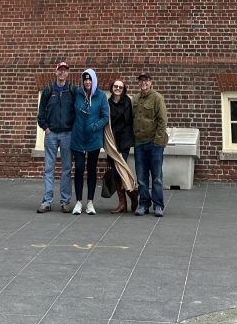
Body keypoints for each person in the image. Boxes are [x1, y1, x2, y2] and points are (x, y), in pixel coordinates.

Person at [36, 60, 75, 213]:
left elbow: (77, 110)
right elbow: (41, 113)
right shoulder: (48, 90)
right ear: (56, 71)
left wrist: (72, 129)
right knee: (49, 169)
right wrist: (45, 128)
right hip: (51, 134)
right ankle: (47, 201)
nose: (62, 73)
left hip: (67, 134)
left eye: (65, 70)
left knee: (66, 169)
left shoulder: (72, 90)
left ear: (68, 73)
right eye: (60, 70)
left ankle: (65, 202)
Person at [70, 67, 109, 215]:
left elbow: (105, 117)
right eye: (85, 79)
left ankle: (90, 203)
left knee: (92, 169)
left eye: (90, 79)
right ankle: (78, 202)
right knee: (79, 168)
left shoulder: (101, 96)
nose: (87, 82)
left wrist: (94, 127)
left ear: (94, 80)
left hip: (93, 139)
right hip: (78, 137)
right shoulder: (77, 93)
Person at [132, 71, 168, 217]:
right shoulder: (135, 99)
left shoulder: (157, 98)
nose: (143, 83)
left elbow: (162, 121)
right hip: (139, 143)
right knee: (141, 177)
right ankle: (143, 204)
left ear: (151, 82)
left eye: (146, 80)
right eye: (141, 81)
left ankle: (158, 205)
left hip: (154, 143)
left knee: (157, 177)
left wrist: (158, 141)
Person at [106, 78, 138, 213]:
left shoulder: (128, 102)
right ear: (112, 88)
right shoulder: (107, 103)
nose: (118, 89)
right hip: (112, 142)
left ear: (123, 89)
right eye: (115, 86)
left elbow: (131, 122)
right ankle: (122, 202)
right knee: (115, 172)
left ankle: (133, 196)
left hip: (124, 141)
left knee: (121, 170)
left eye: (120, 87)